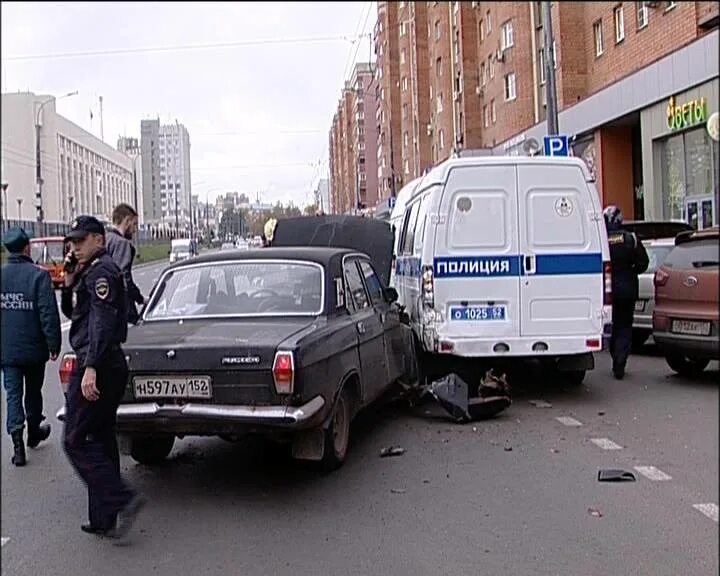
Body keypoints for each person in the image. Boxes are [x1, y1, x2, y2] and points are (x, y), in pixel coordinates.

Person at [60, 215, 145, 538]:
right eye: (72, 242)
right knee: (100, 436)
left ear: (100, 239)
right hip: (103, 362)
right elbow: (75, 315)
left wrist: (91, 367)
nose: (75, 247)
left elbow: (102, 324)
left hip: (98, 363)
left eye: (81, 241)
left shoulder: (102, 273)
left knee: (75, 440)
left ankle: (121, 497)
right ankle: (104, 517)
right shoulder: (89, 271)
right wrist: (68, 284)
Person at [1, 227, 61, 466]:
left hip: (7, 351)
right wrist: (53, 343)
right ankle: (34, 430)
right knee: (33, 391)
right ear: (27, 248)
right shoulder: (39, 276)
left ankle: (17, 447)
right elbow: (48, 313)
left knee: (12, 395)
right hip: (34, 349)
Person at [604, 205, 649, 380]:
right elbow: (643, 263)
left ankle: (616, 356)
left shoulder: (601, 239)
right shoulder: (631, 238)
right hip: (628, 289)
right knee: (624, 326)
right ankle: (619, 361)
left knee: (612, 324)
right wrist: (630, 272)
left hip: (607, 289)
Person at [105, 203, 146, 325]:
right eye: (134, 224)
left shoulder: (105, 239)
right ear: (127, 221)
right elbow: (123, 278)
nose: (135, 230)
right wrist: (140, 298)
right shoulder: (121, 243)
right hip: (120, 307)